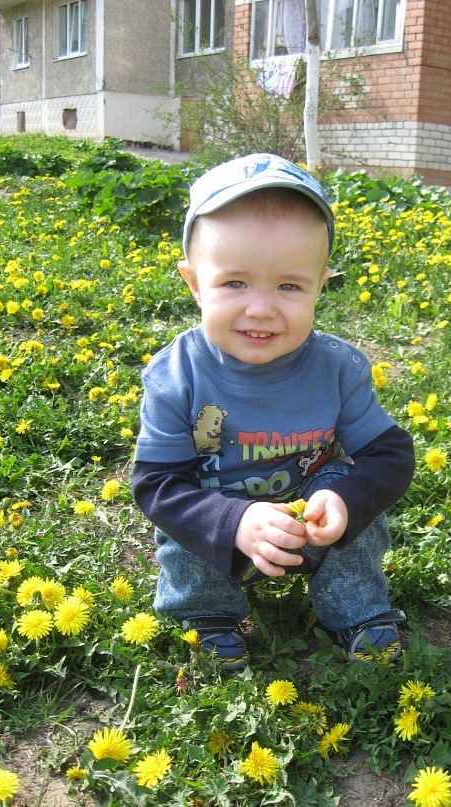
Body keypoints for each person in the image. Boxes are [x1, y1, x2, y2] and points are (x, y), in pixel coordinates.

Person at [132, 153, 415, 670]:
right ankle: (207, 613)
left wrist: (345, 499)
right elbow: (158, 485)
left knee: (353, 497)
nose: (260, 309)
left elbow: (391, 455)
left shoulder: (338, 368)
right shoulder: (176, 375)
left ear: (320, 285)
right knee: (182, 527)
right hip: (218, 524)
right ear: (194, 283)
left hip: (313, 520)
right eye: (234, 283)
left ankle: (356, 608)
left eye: (289, 286)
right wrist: (234, 521)